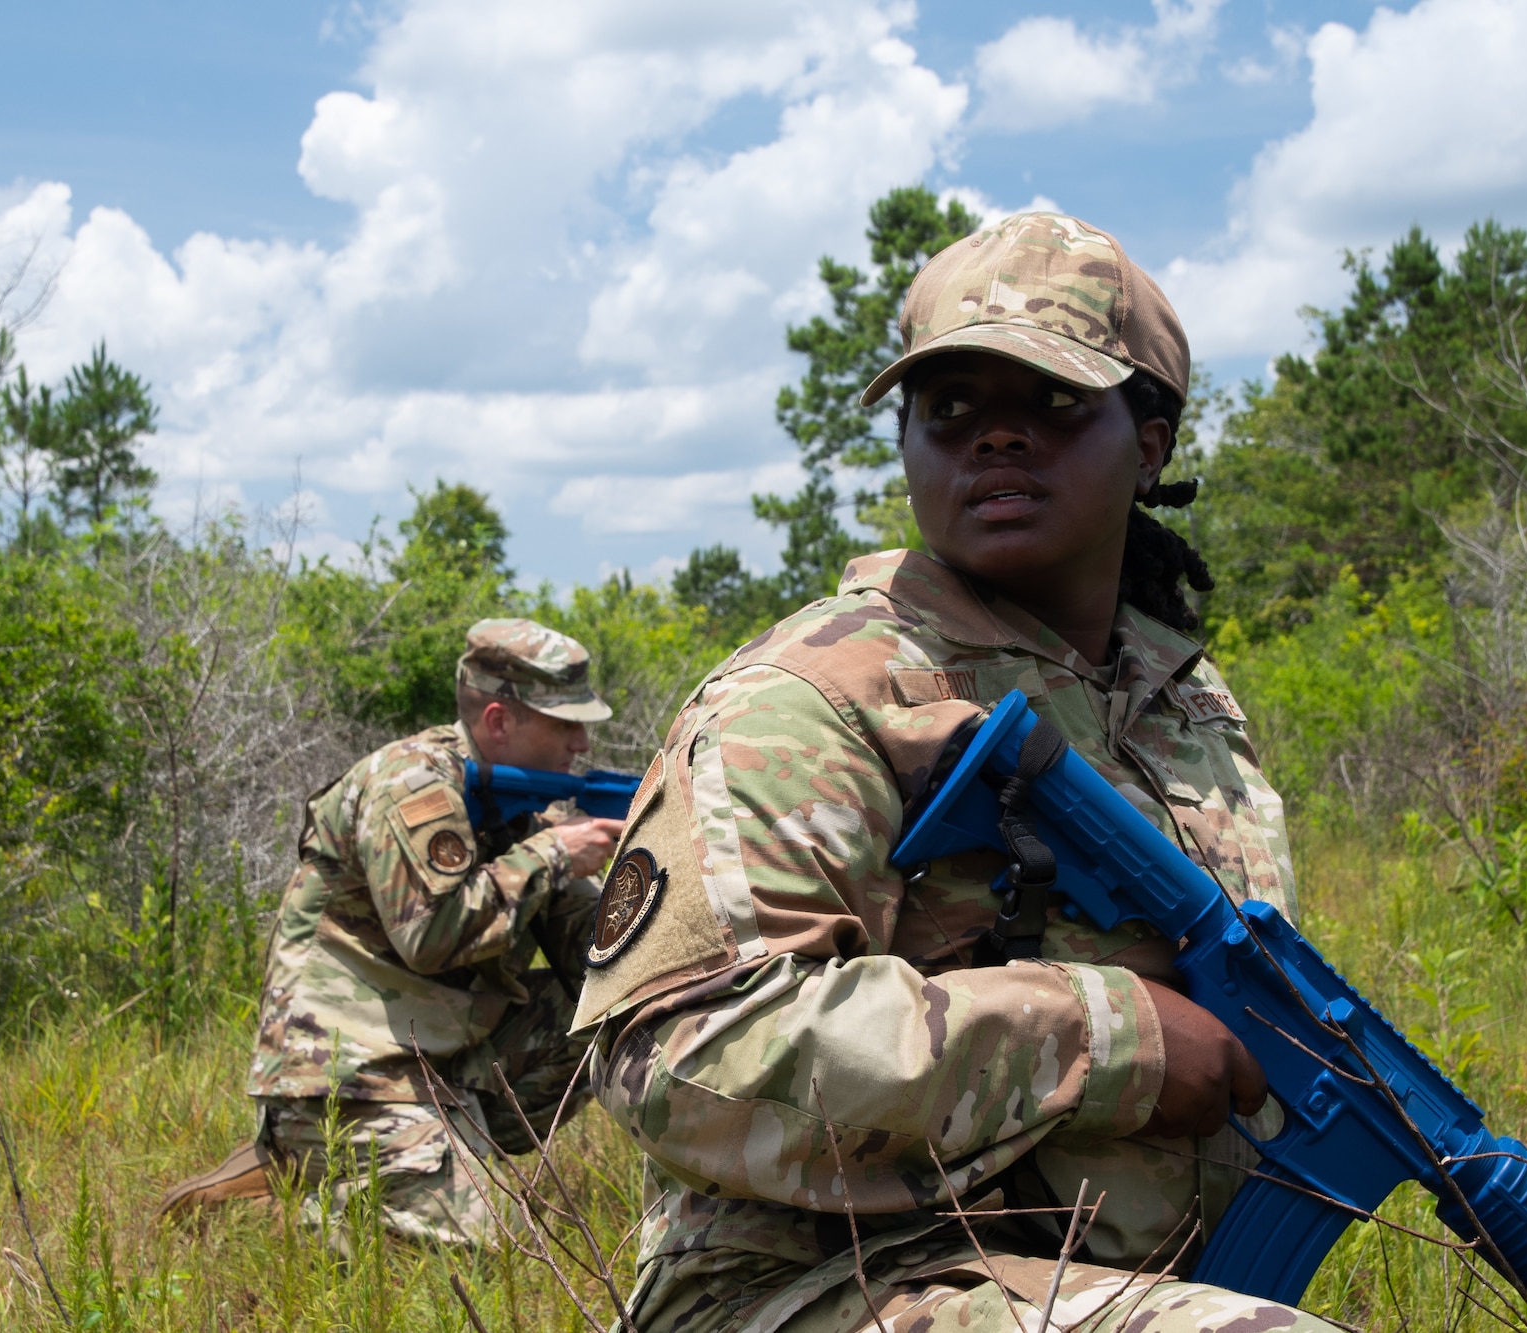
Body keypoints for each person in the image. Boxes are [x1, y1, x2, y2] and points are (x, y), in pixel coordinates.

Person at [572, 212, 1341, 1331]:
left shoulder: (1184, 706)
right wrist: (1102, 1036)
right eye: (950, 409)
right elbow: (684, 1057)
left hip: (1114, 1281)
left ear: (1154, 440)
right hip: (814, 1284)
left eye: (1054, 400)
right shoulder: (818, 693)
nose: (995, 437)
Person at [165, 618, 627, 1247]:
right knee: (492, 1251)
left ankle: (424, 1157)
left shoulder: (527, 811)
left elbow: (600, 958)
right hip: (346, 1075)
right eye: (565, 723)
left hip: (442, 1059)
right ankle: (308, 1183)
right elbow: (430, 937)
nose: (581, 742)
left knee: (612, 1004)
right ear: (499, 721)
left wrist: (647, 866)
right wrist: (550, 856)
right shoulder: (412, 784)